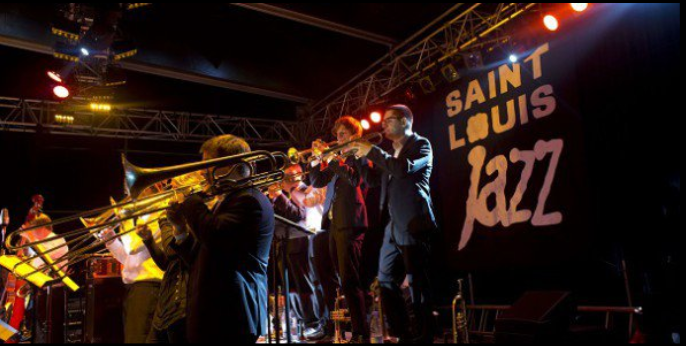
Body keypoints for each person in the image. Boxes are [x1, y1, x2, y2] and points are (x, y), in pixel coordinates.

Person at [167, 134, 274, 344]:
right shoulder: (229, 200)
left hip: (231, 313)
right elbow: (200, 259)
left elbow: (215, 236)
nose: (203, 172)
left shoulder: (249, 200)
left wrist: (191, 200)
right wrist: (180, 229)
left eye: (208, 164)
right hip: (217, 312)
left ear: (232, 165)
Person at [351, 104, 438, 343]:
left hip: (413, 221)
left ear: (405, 121)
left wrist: (372, 151)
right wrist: (359, 158)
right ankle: (404, 333)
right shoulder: (390, 154)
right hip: (392, 225)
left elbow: (403, 170)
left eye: (389, 120)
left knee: (418, 283)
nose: (384, 125)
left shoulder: (421, 145)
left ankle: (425, 334)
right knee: (385, 279)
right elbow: (372, 180)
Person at [308, 116, 369, 343]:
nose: (338, 139)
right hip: (334, 224)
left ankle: (361, 332)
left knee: (350, 279)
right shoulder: (339, 160)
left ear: (354, 136)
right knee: (338, 278)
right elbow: (317, 181)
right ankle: (344, 327)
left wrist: (332, 157)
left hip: (351, 222)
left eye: (342, 135)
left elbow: (355, 180)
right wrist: (315, 160)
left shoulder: (358, 155)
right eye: (337, 135)